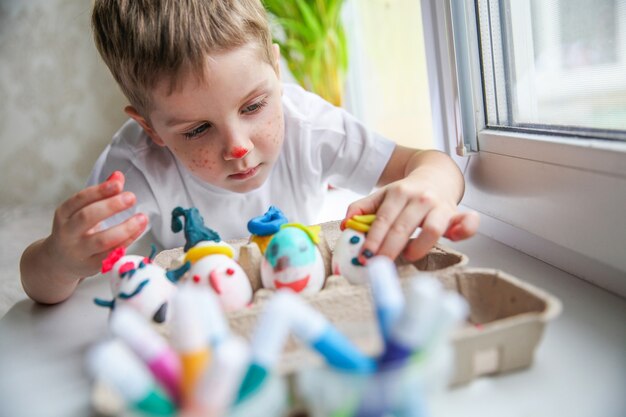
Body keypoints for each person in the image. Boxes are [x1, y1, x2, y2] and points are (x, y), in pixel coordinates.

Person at [20, 0, 479, 305]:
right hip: (200, 316)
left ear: (276, 72)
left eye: (255, 105)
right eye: (198, 129)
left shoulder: (309, 125)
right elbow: (40, 285)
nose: (238, 146)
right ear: (151, 128)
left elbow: (433, 164)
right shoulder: (135, 170)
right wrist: (59, 260)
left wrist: (427, 186)